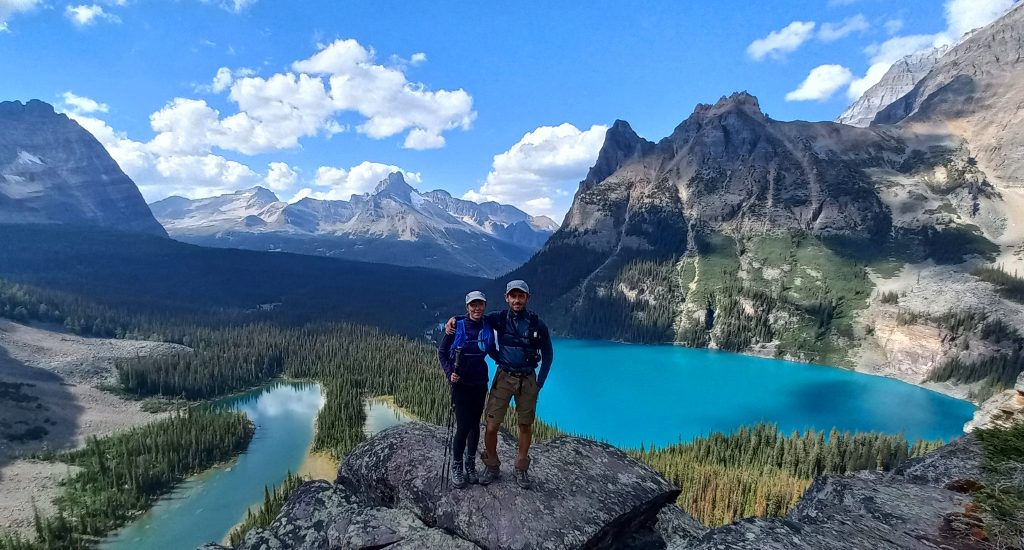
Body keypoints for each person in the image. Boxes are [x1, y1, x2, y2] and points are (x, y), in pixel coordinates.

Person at [446, 279, 553, 489]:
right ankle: (492, 465)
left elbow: (548, 353)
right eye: (513, 296)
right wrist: (454, 319)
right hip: (504, 376)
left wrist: (539, 382)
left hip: (528, 378)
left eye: (521, 296)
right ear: (507, 298)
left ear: (527, 298)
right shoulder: (500, 319)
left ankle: (521, 468)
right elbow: (474, 318)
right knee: (492, 425)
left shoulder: (536, 324)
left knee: (525, 425)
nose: (517, 300)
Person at [437, 290, 496, 488]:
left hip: (479, 383)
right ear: (467, 307)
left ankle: (470, 464)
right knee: (463, 426)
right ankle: (457, 465)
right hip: (460, 385)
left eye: (480, 304)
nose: (477, 308)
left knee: (474, 425)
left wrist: (509, 363)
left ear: (485, 306)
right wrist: (448, 373)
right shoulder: (457, 326)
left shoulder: (487, 325)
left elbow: (493, 350)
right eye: (473, 305)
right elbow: (443, 352)